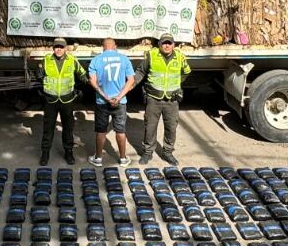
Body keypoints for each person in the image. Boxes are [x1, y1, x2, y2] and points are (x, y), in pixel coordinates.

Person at [87, 35, 138, 166]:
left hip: (102, 102)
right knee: (120, 131)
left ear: (103, 48)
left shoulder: (96, 60)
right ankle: (123, 158)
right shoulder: (124, 59)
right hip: (120, 102)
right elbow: (131, 80)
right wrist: (119, 97)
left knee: (101, 131)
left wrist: (106, 97)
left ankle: (98, 158)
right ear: (115, 47)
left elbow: (93, 83)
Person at [143, 32, 192, 165]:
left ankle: (167, 153)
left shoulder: (180, 57)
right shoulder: (151, 55)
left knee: (171, 127)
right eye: (164, 43)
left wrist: (177, 84)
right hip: (153, 98)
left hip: (172, 100)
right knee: (150, 127)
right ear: (159, 44)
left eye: (169, 43)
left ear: (173, 45)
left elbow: (186, 72)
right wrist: (131, 84)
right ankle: (148, 153)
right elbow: (141, 71)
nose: (166, 45)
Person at [37, 38, 83, 166]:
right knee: (48, 129)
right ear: (53, 48)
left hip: (67, 100)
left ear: (66, 48)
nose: (59, 49)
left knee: (68, 128)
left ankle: (68, 152)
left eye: (61, 47)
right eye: (56, 47)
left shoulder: (72, 60)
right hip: (50, 100)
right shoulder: (46, 60)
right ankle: (45, 154)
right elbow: (39, 76)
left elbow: (82, 74)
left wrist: (84, 87)